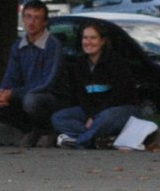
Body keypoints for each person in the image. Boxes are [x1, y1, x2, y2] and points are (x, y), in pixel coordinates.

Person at [0, 0, 62, 145]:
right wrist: (2, 93)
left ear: (45, 22)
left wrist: (14, 93)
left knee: (31, 100)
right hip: (23, 94)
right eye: (28, 16)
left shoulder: (53, 45)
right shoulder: (18, 45)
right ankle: (30, 130)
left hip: (49, 98)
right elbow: (11, 76)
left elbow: (47, 82)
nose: (31, 22)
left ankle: (48, 129)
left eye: (37, 17)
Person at [50, 19, 138, 150]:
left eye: (93, 38)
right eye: (85, 38)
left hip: (120, 109)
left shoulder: (115, 62)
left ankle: (80, 142)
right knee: (59, 118)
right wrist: (91, 115)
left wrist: (95, 116)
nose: (88, 42)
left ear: (102, 41)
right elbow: (82, 96)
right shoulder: (80, 64)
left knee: (105, 118)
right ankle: (101, 139)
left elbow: (119, 95)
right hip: (93, 112)